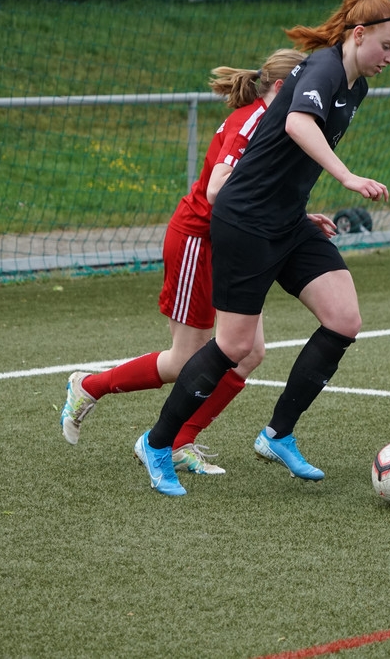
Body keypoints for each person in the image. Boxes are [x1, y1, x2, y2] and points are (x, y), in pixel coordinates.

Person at [133, 0, 390, 496]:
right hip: (246, 221)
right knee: (235, 346)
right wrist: (347, 177)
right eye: (385, 46)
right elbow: (298, 123)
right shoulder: (323, 68)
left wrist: (301, 212)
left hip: (287, 221)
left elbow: (287, 157)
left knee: (344, 320)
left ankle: (277, 434)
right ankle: (157, 442)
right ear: (358, 34)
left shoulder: (355, 87)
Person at [60, 48, 334, 476]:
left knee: (247, 354)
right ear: (283, 88)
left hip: (238, 244)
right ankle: (88, 386)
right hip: (199, 240)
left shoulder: (275, 120)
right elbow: (218, 190)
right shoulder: (252, 120)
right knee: (184, 359)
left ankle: (179, 441)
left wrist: (293, 218)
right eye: (306, 88)